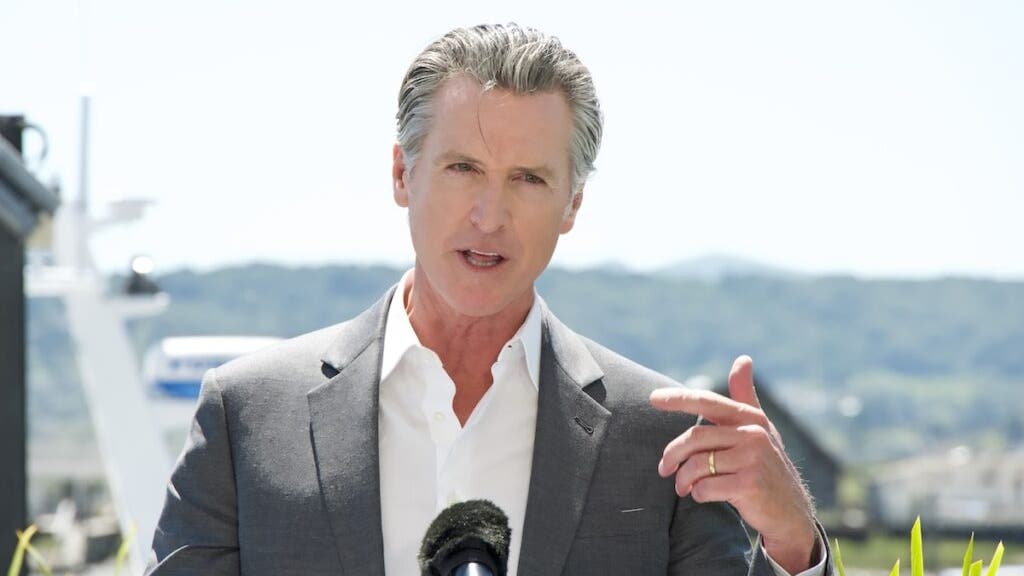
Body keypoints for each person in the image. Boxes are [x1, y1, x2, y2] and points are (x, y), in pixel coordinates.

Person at [146, 23, 833, 575]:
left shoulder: (658, 443)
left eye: (528, 179)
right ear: (402, 174)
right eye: (463, 168)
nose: (489, 215)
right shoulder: (246, 418)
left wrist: (793, 545)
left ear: (572, 204)